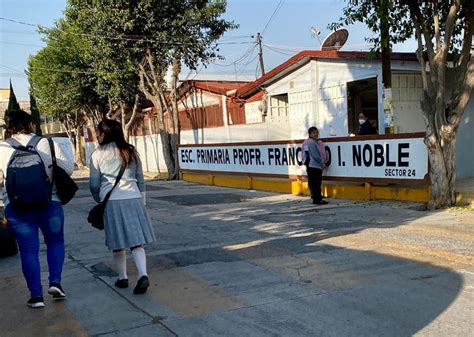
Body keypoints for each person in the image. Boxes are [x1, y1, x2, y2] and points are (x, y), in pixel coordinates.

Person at [0, 109, 74, 308]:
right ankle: (55, 282)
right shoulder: (48, 143)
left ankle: (36, 296)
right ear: (30, 123)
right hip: (50, 203)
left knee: (28, 250)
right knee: (55, 242)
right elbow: (68, 168)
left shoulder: (1, 148)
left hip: (17, 207)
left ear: (9, 126)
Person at [89, 119, 156, 295]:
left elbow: (94, 184)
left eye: (99, 132)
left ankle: (123, 277)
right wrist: (142, 201)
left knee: (117, 242)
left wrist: (99, 199)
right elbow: (140, 180)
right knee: (136, 242)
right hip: (133, 198)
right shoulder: (131, 151)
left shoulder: (98, 154)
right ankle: (143, 275)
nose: (97, 135)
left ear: (104, 134)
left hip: (111, 201)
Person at [306, 127, 328, 205]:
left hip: (315, 166)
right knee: (316, 184)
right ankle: (317, 199)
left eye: (316, 132)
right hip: (315, 166)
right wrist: (322, 163)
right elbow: (316, 155)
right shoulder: (312, 142)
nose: (315, 134)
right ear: (310, 134)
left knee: (316, 184)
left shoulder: (314, 142)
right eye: (313, 133)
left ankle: (317, 199)